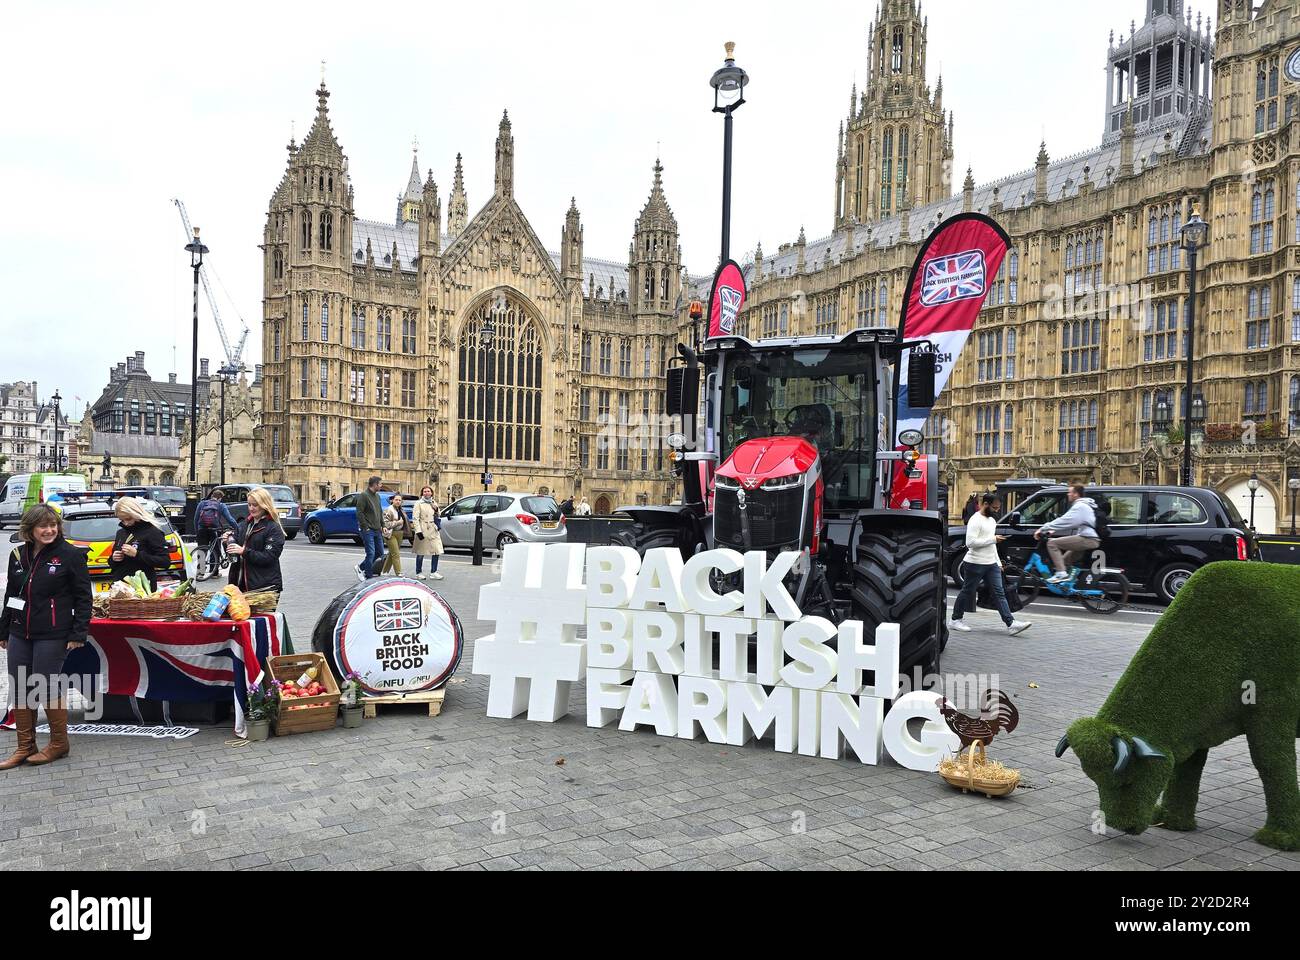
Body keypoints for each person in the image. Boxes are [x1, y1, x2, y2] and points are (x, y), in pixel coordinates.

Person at [0, 505, 93, 767]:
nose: (50, 530)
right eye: (43, 526)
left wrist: (78, 632)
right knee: (20, 685)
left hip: (53, 632)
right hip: (20, 630)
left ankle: (58, 744)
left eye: (53, 525)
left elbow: (84, 597)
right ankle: (25, 746)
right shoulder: (18, 554)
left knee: (45, 685)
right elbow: (11, 594)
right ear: (30, 529)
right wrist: (4, 629)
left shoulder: (70, 555)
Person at [950, 493, 1031, 637]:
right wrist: (993, 539)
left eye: (998, 508)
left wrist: (998, 562)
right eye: (994, 508)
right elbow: (970, 543)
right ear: (985, 504)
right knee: (967, 591)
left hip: (991, 563)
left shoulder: (992, 521)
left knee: (999, 592)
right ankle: (955, 620)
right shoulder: (975, 520)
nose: (997, 511)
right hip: (975, 563)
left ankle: (1011, 624)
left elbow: (992, 545)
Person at [1035, 483, 1100, 584]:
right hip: (1088, 538)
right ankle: (1071, 585)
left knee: (1052, 543)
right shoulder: (1084, 505)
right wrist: (1053, 530)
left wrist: (1044, 528)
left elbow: (1065, 520)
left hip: (1087, 539)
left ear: (1076, 494)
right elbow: (1070, 522)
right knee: (1064, 561)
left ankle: (1061, 574)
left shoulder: (1080, 506)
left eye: (1069, 492)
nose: (1068, 494)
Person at [226, 488, 285, 593]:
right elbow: (234, 552)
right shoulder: (244, 525)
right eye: (249, 504)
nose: (251, 508)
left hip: (264, 588)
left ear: (264, 505)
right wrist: (228, 541)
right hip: (240, 586)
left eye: (255, 505)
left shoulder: (273, 528)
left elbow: (268, 557)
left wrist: (243, 551)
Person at [109, 497, 170, 590]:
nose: (126, 523)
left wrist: (137, 554)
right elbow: (113, 565)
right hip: (121, 587)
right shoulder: (121, 533)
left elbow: (165, 562)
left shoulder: (152, 532)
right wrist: (113, 559)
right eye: (122, 520)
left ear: (136, 514)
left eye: (128, 519)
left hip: (144, 588)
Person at [355, 476, 385, 581]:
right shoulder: (364, 495)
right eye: (380, 484)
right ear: (375, 484)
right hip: (368, 530)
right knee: (371, 553)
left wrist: (383, 525)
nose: (381, 486)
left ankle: (361, 567)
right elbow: (359, 512)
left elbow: (380, 512)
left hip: (377, 529)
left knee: (380, 553)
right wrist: (365, 527)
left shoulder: (377, 496)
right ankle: (369, 576)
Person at [412, 487, 444, 580]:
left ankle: (433, 572)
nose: (426, 493)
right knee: (421, 551)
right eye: (425, 491)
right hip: (423, 528)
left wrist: (437, 508)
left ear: (431, 493)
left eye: (428, 491)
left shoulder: (433, 502)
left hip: (433, 529)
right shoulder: (418, 503)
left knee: (436, 550)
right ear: (422, 493)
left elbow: (439, 515)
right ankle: (418, 572)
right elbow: (415, 518)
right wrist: (418, 531)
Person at [378, 495, 410, 576]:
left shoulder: (401, 510)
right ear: (393, 500)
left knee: (392, 553)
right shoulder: (388, 509)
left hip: (400, 533)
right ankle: (398, 572)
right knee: (396, 553)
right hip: (390, 533)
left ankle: (384, 571)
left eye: (399, 500)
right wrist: (397, 523)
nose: (398, 501)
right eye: (396, 500)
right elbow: (386, 524)